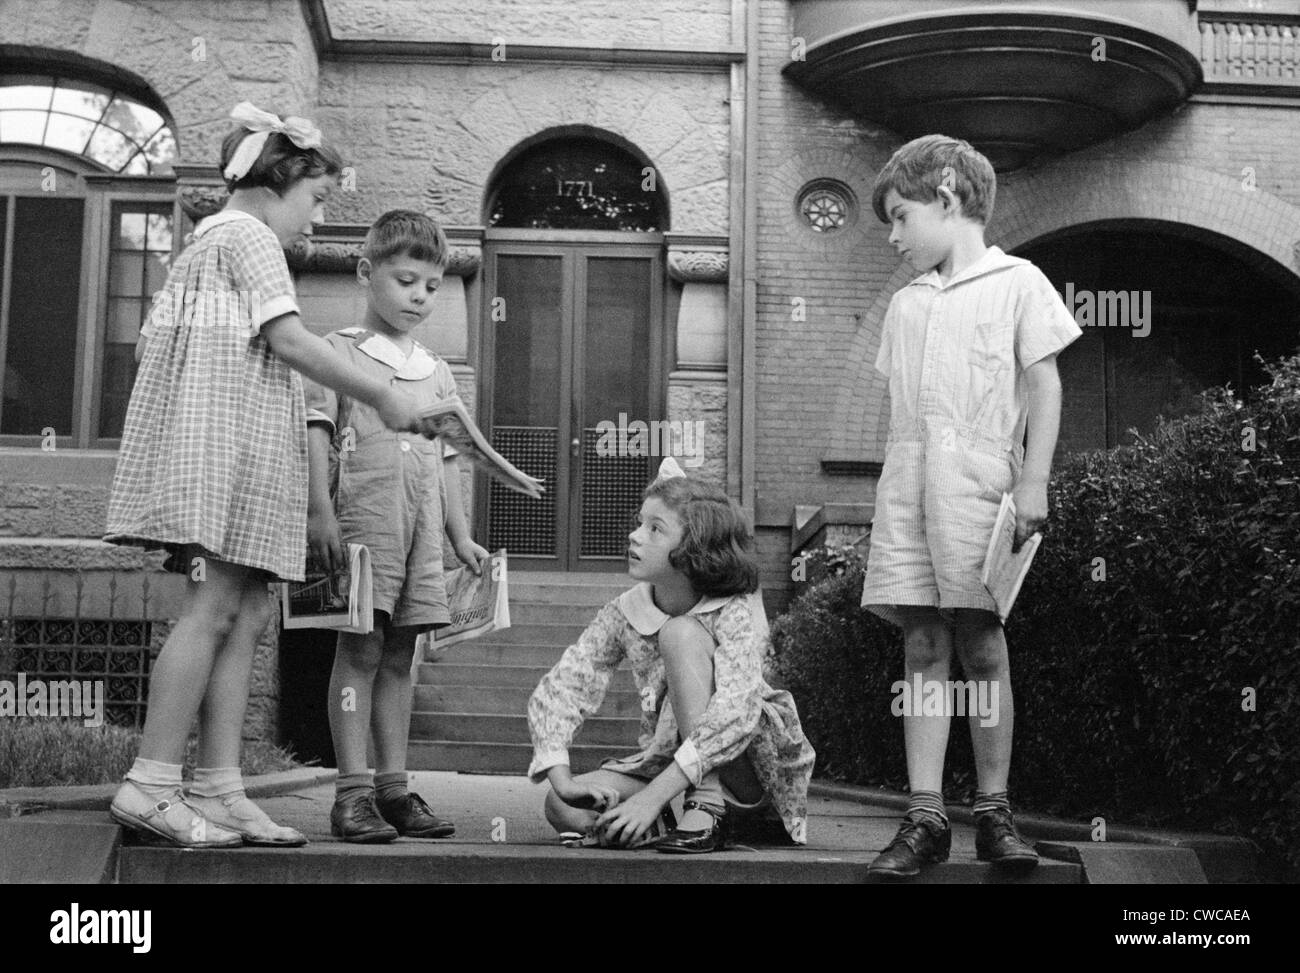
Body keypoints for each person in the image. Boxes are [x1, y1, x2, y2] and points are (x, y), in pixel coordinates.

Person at [104, 103, 433, 849]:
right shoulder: (246, 235)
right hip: (226, 453)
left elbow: (165, 350)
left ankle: (221, 788)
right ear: (279, 178)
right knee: (213, 606)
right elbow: (286, 337)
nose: (314, 222)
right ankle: (152, 780)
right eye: (315, 199)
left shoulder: (205, 244)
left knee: (247, 612)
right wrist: (380, 389)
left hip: (237, 451)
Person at [860, 134, 1081, 876]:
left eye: (899, 217)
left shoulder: (1020, 281)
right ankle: (924, 815)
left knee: (982, 643)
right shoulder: (905, 304)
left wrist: (1035, 479)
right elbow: (902, 413)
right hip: (909, 489)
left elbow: (1045, 386)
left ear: (947, 195)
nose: (893, 237)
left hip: (983, 487)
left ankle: (993, 809)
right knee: (922, 644)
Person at [304, 210, 489, 843]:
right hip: (363, 523)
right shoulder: (337, 353)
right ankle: (351, 793)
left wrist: (459, 535)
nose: (419, 296)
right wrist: (317, 512)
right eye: (406, 280)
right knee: (357, 650)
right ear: (366, 272)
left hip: (421, 538)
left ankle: (393, 788)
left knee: (402, 657)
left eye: (433, 286)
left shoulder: (436, 370)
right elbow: (316, 434)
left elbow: (447, 459)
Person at [528, 459, 816, 854]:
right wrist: (562, 778)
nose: (634, 536)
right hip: (671, 767)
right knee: (560, 805)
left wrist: (649, 798)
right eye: (639, 522)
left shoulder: (731, 608)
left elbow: (737, 712)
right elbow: (565, 686)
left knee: (679, 633)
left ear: (693, 547)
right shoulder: (625, 611)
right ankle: (655, 823)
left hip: (748, 773)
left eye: (654, 528)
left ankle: (708, 804)